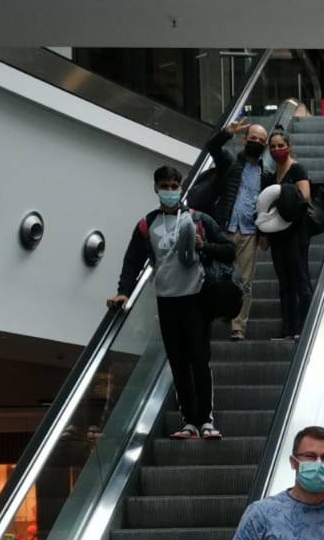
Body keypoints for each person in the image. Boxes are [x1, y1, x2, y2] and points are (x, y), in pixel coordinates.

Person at [109, 163, 234, 440]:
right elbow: (132, 261)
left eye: (174, 187)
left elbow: (229, 250)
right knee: (178, 362)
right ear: (156, 188)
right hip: (167, 301)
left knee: (199, 360)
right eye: (164, 187)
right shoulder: (147, 224)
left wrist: (204, 246)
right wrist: (124, 291)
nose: (169, 191)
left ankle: (206, 420)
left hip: (196, 298)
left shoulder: (198, 219)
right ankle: (189, 421)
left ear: (181, 188)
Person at [205, 118, 271, 341]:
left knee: (245, 282)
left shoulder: (266, 173)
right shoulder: (230, 162)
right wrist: (227, 132)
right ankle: (213, 316)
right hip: (225, 229)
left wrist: (265, 233)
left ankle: (238, 326)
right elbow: (212, 147)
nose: (257, 142)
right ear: (245, 139)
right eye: (253, 138)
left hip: (250, 233)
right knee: (215, 275)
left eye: (261, 140)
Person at [265, 128, 313, 340]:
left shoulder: (298, 169)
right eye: (273, 146)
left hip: (296, 233)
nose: (277, 150)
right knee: (284, 283)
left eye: (280, 146)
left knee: (301, 280)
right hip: (277, 235)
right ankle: (288, 327)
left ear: (289, 147)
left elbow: (305, 197)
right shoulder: (270, 176)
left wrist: (285, 198)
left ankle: (305, 327)